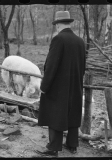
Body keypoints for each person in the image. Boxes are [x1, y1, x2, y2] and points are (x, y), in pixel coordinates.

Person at [35, 11, 86, 157]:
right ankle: (72, 145)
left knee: (55, 113)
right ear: (68, 23)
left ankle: (53, 147)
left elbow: (51, 66)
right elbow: (82, 66)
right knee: (73, 113)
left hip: (58, 87)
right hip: (75, 84)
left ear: (58, 25)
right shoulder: (80, 41)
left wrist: (44, 87)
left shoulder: (58, 39)